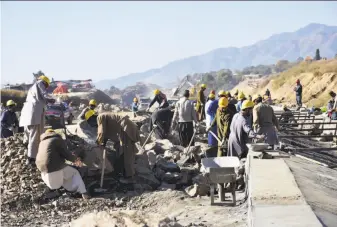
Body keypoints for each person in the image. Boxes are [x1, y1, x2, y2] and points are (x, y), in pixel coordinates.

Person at [36, 129, 90, 200]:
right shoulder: (56, 139)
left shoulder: (42, 142)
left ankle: (66, 190)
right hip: (54, 170)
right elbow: (66, 154)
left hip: (43, 172)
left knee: (64, 171)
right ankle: (84, 193)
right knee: (74, 172)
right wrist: (76, 160)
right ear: (54, 133)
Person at [19, 75, 55, 166]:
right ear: (45, 82)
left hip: (27, 114)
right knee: (35, 135)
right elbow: (44, 94)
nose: (46, 87)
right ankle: (32, 159)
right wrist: (51, 99)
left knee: (29, 135)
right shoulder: (40, 83)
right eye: (46, 85)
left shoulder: (32, 89)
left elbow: (40, 97)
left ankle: (27, 152)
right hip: (35, 114)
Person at [96, 112, 140, 183]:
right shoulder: (107, 116)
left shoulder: (100, 117)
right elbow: (106, 134)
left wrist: (99, 143)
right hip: (125, 128)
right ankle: (122, 172)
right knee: (120, 149)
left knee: (127, 152)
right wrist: (102, 142)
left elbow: (101, 132)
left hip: (126, 128)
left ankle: (129, 176)